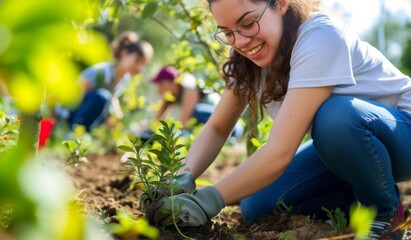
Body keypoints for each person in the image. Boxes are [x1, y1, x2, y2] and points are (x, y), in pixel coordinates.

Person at [146, 0, 411, 239]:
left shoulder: (321, 36)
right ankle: (355, 201)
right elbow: (217, 127)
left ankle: (385, 212)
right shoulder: (244, 56)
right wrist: (180, 178)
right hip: (345, 150)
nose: (239, 42)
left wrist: (208, 200)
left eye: (248, 23)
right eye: (227, 32)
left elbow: (280, 151)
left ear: (281, 4)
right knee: (258, 204)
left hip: (399, 134)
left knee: (334, 117)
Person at [58, 31, 154, 131]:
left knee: (107, 104)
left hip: (87, 115)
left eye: (143, 64)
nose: (140, 67)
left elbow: (112, 97)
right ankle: (72, 134)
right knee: (102, 97)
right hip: (68, 113)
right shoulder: (102, 72)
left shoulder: (124, 79)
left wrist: (117, 115)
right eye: (137, 61)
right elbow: (74, 93)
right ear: (124, 54)